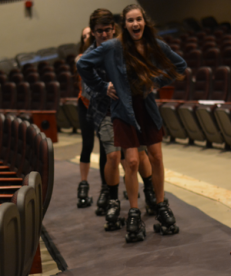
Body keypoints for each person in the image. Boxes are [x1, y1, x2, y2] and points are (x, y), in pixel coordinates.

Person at [77, 4, 187, 242]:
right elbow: (82, 65)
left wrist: (157, 82)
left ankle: (161, 205)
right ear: (124, 25)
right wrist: (103, 86)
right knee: (132, 161)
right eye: (130, 20)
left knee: (156, 157)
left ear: (144, 21)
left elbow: (180, 65)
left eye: (138, 19)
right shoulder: (113, 46)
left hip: (146, 107)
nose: (135, 24)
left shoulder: (152, 44)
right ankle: (134, 212)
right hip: (122, 109)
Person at [79, 9, 158, 233]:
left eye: (107, 30)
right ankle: (114, 201)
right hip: (105, 111)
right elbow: (86, 89)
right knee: (113, 155)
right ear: (92, 33)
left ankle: (150, 189)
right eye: (99, 31)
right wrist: (105, 87)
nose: (103, 34)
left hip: (129, 109)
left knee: (138, 156)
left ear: (114, 29)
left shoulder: (125, 48)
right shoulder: (88, 56)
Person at [75, 26, 108, 208]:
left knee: (105, 146)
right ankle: (83, 185)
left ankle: (106, 187)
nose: (88, 37)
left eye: (90, 34)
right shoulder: (82, 58)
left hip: (101, 105)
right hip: (85, 105)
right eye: (85, 35)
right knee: (87, 144)